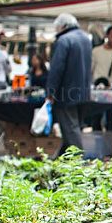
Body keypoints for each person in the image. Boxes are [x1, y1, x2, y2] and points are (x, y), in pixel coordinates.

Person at [46, 13, 92, 156]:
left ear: (63, 26)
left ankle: (79, 162)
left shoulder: (63, 40)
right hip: (83, 92)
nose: (56, 31)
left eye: (57, 28)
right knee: (71, 129)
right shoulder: (86, 39)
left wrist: (50, 92)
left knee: (70, 130)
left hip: (66, 93)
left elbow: (56, 68)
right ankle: (59, 162)